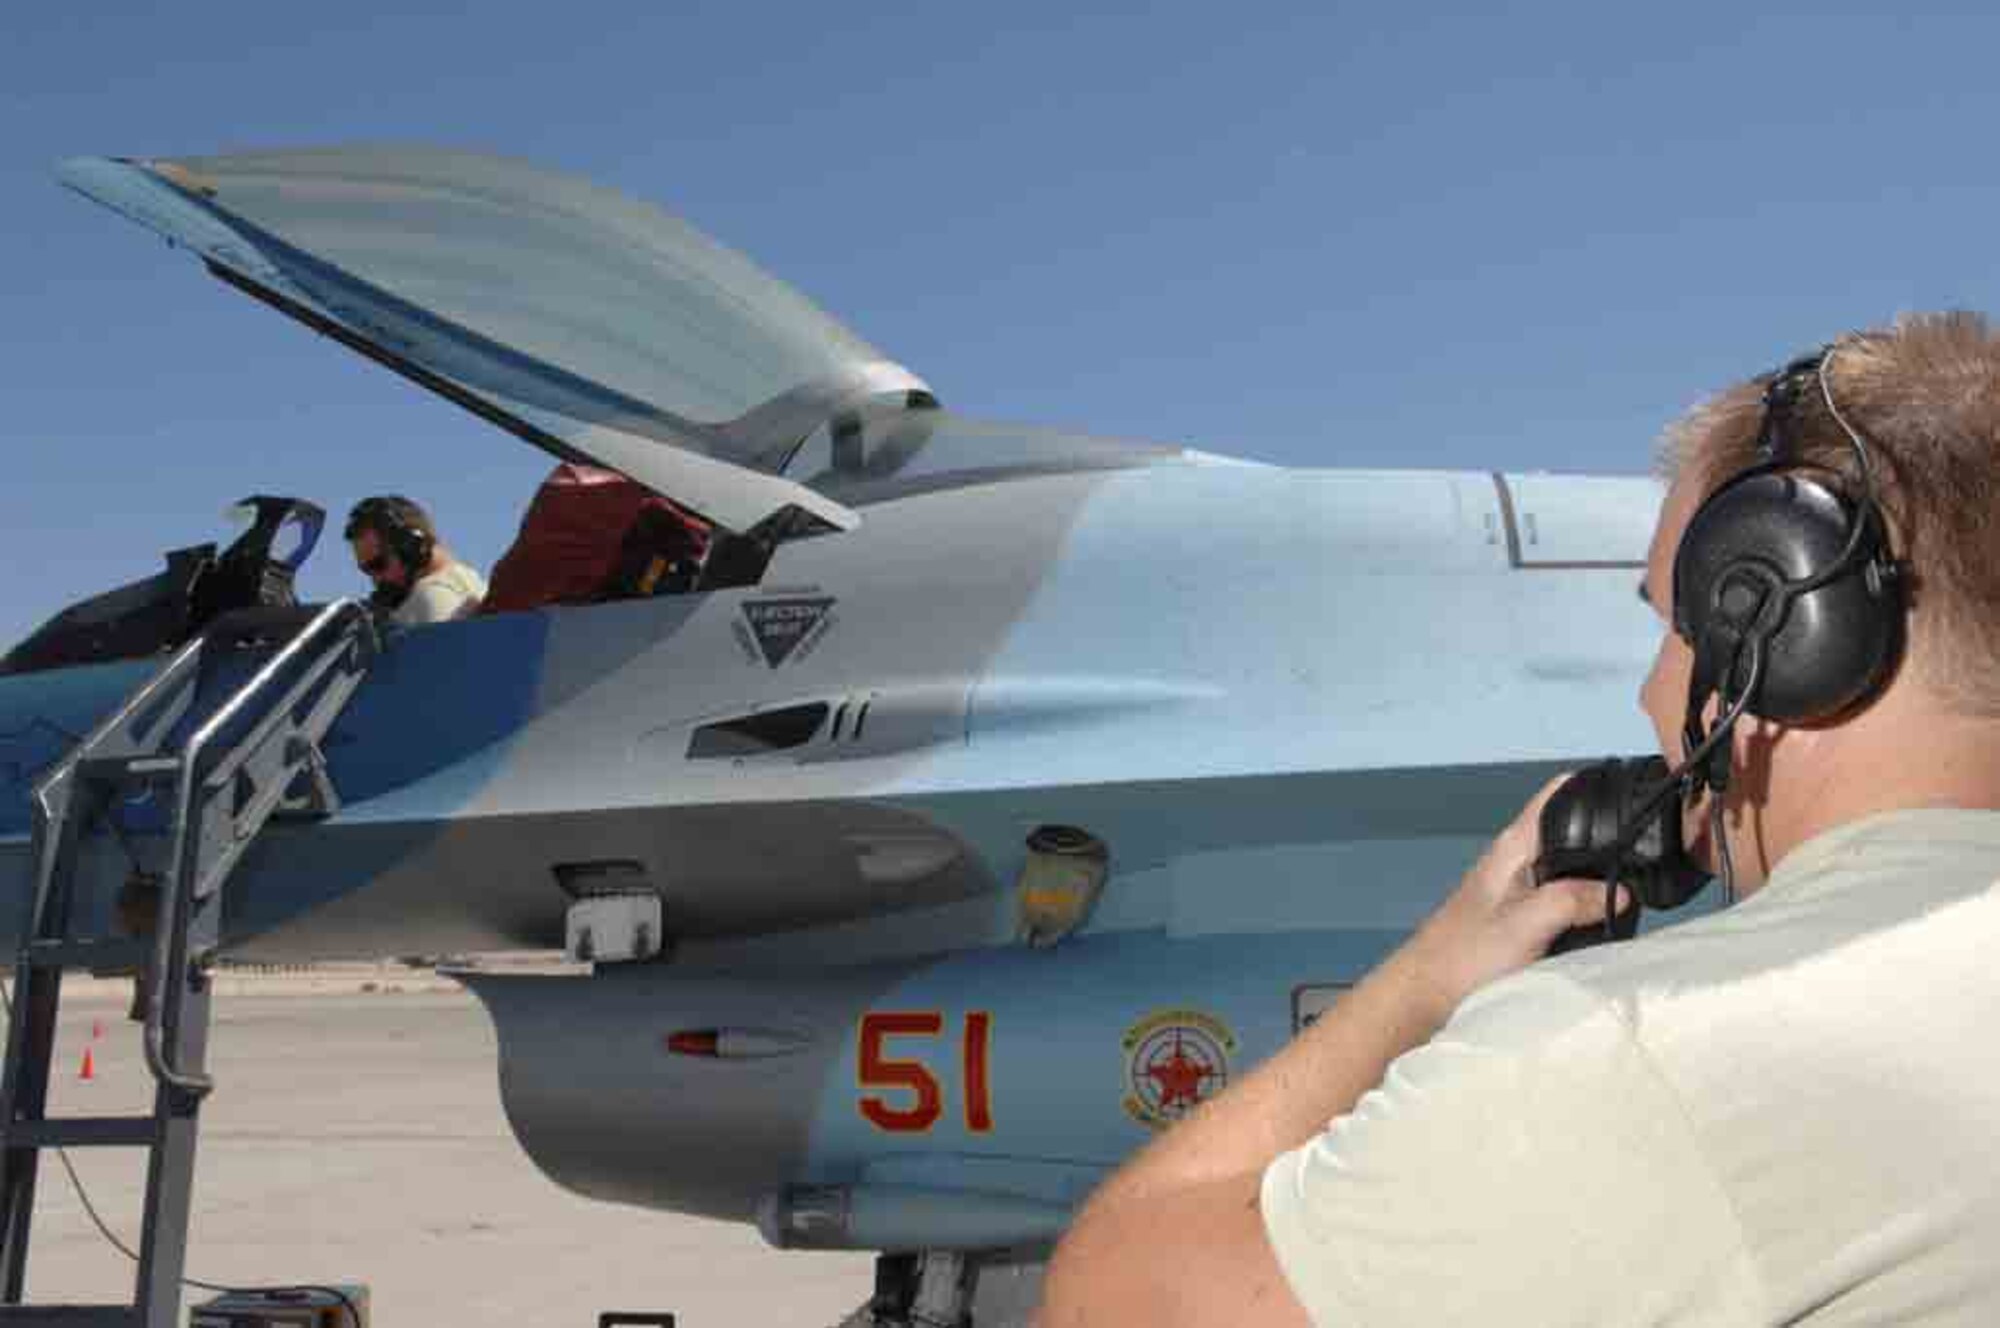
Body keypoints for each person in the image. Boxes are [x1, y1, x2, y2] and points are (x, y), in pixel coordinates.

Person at [1040, 313, 2000, 1325]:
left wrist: (1426, 974)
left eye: (1677, 625)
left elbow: (1108, 1301)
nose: (1646, 695)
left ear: (1782, 623)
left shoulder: (1634, 1056)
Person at [344, 495, 486, 627]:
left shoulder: (432, 598)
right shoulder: (469, 581)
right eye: (366, 570)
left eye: (378, 564)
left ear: (411, 547)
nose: (376, 579)